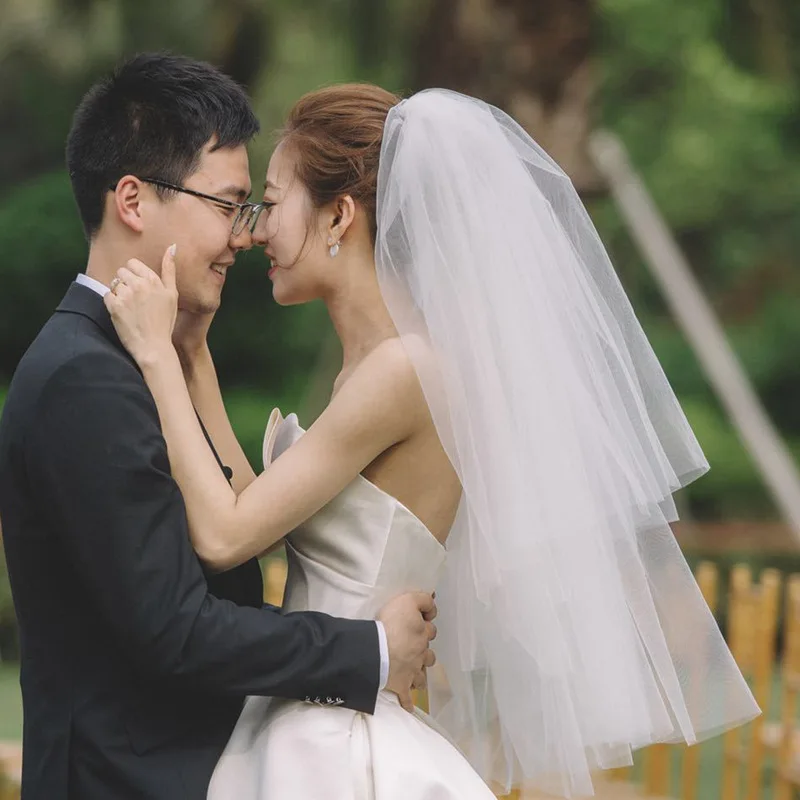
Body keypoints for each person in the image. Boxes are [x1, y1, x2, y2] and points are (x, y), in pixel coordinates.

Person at [106, 83, 761, 798]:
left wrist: (155, 360)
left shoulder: (402, 371)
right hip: (305, 707)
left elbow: (226, 538)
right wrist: (194, 357)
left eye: (272, 198)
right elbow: (248, 510)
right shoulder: (370, 370)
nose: (253, 231)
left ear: (339, 214)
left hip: (335, 736)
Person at [0, 57, 437, 800]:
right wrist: (365, 647)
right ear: (134, 201)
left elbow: (223, 565)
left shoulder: (139, 352)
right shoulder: (87, 376)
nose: (245, 235)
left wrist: (185, 352)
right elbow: (174, 626)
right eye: (229, 204)